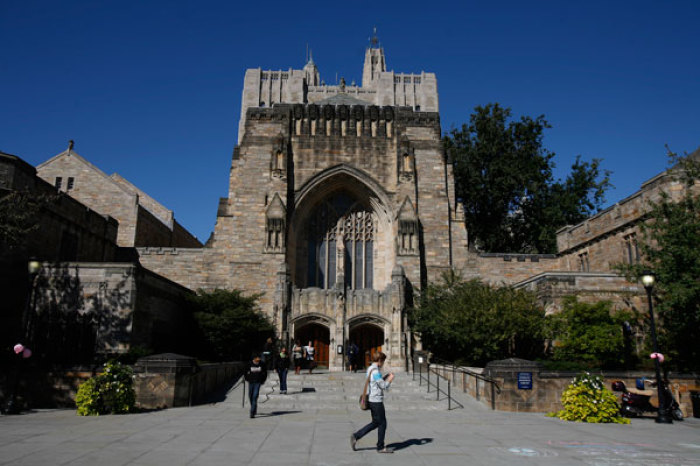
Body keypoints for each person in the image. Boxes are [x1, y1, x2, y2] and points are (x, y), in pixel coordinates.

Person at [350, 352, 394, 454]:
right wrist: (390, 380)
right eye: (383, 361)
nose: (383, 363)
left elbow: (375, 383)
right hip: (376, 400)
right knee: (382, 423)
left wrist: (385, 377)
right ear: (379, 361)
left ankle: (356, 436)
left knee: (375, 422)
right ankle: (380, 447)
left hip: (372, 399)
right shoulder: (376, 371)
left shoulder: (370, 369)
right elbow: (384, 386)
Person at [244, 353, 267, 418]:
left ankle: (252, 412)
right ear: (254, 358)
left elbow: (265, 373)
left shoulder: (262, 364)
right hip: (251, 382)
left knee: (255, 395)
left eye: (259, 357)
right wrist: (247, 378)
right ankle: (254, 407)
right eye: (257, 357)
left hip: (258, 382)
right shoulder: (249, 364)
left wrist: (263, 380)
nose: (259, 358)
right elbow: (245, 372)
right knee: (250, 395)